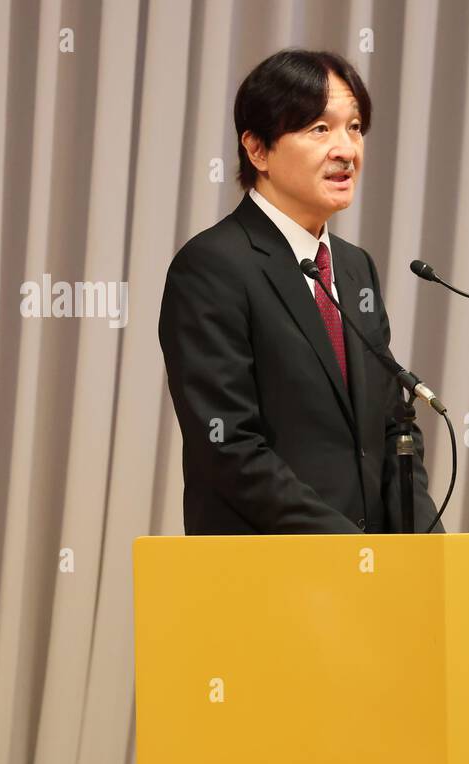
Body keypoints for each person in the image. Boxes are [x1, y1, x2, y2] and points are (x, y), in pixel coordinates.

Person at [158, 49, 438, 534]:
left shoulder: (354, 268)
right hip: (270, 575)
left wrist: (427, 543)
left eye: (354, 127)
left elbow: (393, 426)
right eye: (319, 129)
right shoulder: (212, 267)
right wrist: (346, 549)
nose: (346, 150)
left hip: (372, 578)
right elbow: (228, 447)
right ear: (258, 149)